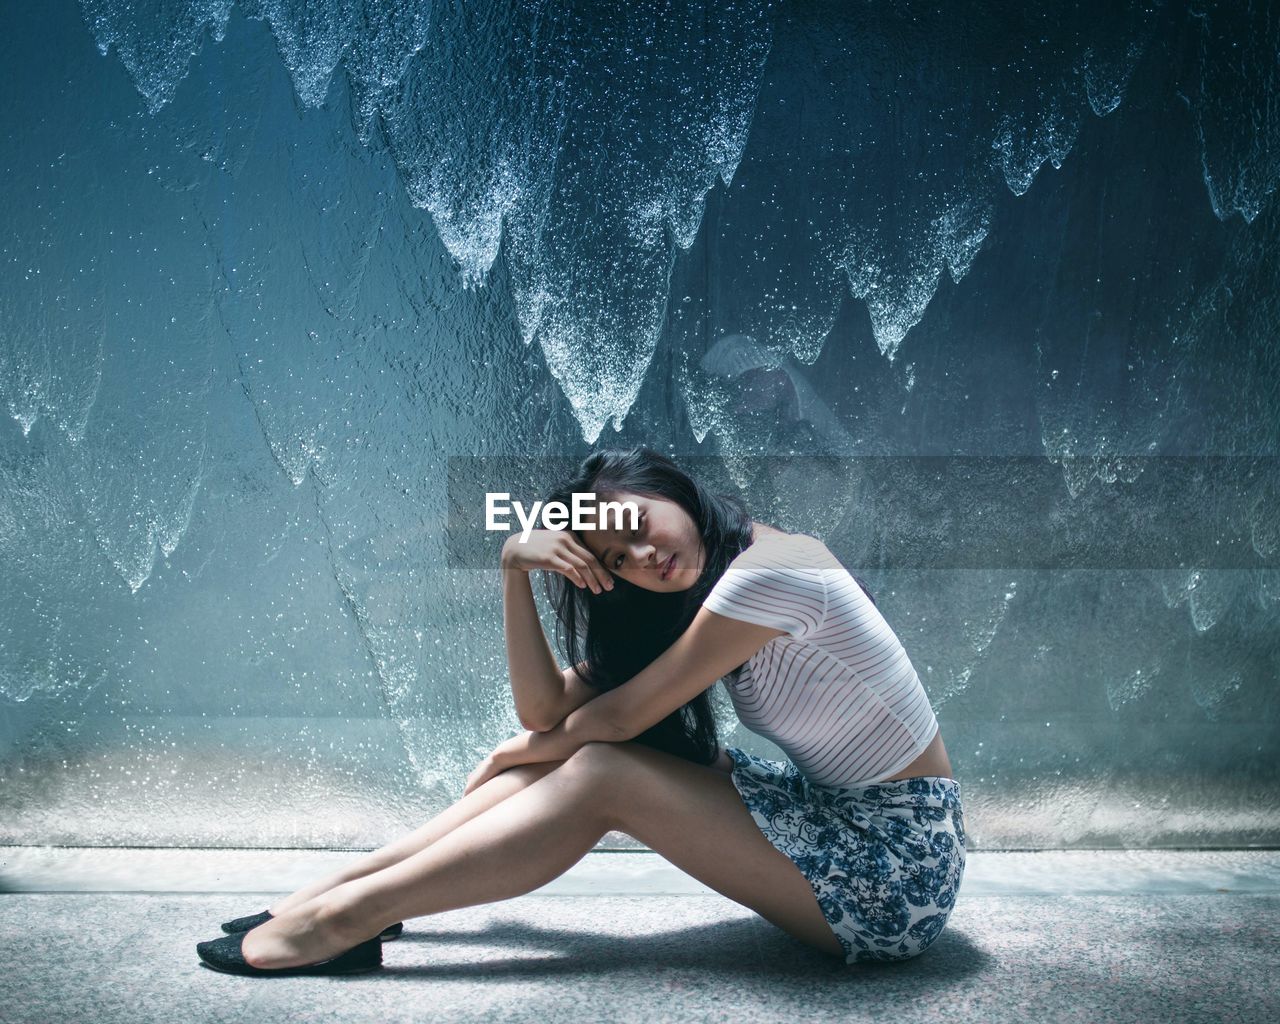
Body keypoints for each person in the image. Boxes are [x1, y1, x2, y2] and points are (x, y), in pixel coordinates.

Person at [196, 447, 964, 975]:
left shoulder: (773, 569)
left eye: (636, 529)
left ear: (667, 486)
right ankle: (336, 895)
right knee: (575, 749)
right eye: (616, 562)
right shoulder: (703, 593)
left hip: (897, 871)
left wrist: (522, 752)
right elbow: (545, 709)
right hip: (830, 815)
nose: (643, 561)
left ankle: (341, 924)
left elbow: (613, 726)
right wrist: (513, 568)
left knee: (599, 769)